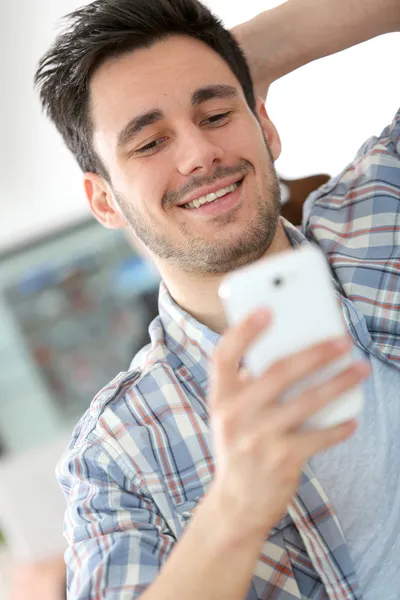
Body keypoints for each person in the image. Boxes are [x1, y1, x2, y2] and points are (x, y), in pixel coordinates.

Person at [35, 0, 400, 597]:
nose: (199, 154)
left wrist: (258, 49)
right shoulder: (116, 453)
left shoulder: (381, 208)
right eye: (150, 143)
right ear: (104, 201)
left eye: (215, 113)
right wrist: (235, 509)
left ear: (267, 125)